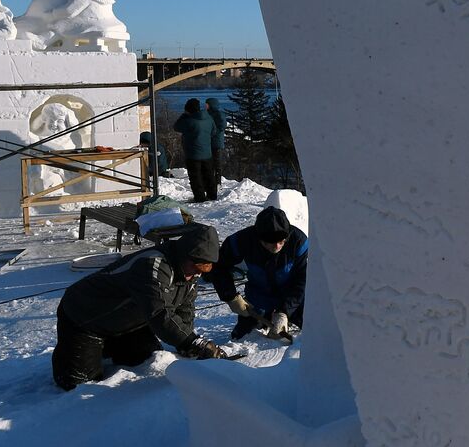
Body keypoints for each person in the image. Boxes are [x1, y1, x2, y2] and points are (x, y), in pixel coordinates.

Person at [51, 224, 226, 390]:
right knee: (79, 384)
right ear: (185, 255)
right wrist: (193, 342)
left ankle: (109, 347)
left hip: (127, 323)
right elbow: (160, 313)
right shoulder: (152, 266)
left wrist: (187, 346)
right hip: (85, 316)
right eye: (196, 267)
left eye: (204, 270)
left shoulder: (188, 274)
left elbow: (184, 309)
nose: (198, 274)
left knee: (148, 359)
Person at [208, 206, 308, 341]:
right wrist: (230, 296)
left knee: (312, 330)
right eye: (270, 243)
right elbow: (219, 266)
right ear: (259, 238)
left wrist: (285, 311)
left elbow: (302, 279)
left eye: (281, 241)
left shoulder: (299, 241)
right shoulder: (242, 240)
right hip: (258, 296)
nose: (277, 247)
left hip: (291, 295)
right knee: (241, 336)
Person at [173, 98, 216, 202]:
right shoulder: (209, 118)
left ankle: (200, 197)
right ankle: (212, 195)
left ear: (189, 109)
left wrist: (184, 115)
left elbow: (176, 127)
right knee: (209, 175)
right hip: (207, 152)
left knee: (195, 177)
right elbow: (214, 132)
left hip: (192, 154)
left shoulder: (188, 121)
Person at [205, 97, 226, 191]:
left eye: (207, 104)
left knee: (217, 164)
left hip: (216, 142)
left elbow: (222, 126)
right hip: (208, 142)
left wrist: (212, 132)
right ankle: (210, 182)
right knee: (209, 164)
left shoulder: (218, 114)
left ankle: (218, 183)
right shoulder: (207, 114)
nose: (205, 106)